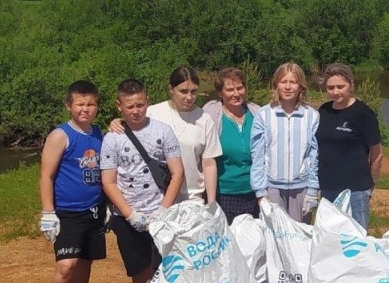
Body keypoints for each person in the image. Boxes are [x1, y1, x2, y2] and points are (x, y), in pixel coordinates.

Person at [100, 79, 184, 283]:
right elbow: (108, 181)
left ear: (147, 102)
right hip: (127, 215)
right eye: (130, 106)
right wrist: (130, 214)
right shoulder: (111, 139)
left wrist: (164, 209)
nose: (135, 111)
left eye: (140, 105)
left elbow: (177, 173)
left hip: (161, 211)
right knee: (139, 267)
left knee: (165, 265)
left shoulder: (163, 131)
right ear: (119, 106)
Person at [37, 80, 109, 283]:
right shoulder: (60, 135)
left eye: (90, 104)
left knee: (84, 263)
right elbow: (46, 176)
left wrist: (108, 205)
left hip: (94, 211)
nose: (85, 109)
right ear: (69, 105)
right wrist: (48, 213)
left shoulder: (99, 134)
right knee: (66, 265)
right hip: (67, 212)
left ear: (97, 106)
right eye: (80, 104)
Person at [110, 66, 222, 205]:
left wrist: (211, 202)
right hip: (156, 198)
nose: (189, 97)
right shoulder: (153, 112)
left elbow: (208, 163)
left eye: (193, 91)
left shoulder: (204, 119)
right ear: (171, 89)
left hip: (192, 198)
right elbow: (131, 124)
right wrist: (118, 122)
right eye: (183, 91)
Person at [251, 62, 320, 223]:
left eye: (293, 82)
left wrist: (313, 188)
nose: (288, 87)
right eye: (283, 82)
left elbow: (315, 155)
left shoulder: (311, 115)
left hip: (302, 188)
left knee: (300, 232)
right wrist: (260, 191)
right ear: (276, 84)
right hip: (272, 188)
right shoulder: (264, 114)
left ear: (301, 86)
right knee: (275, 232)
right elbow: (257, 155)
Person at [316, 63, 382, 228]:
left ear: (351, 86)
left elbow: (377, 153)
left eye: (340, 87)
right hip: (328, 188)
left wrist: (370, 185)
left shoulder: (363, 113)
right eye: (331, 87)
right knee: (330, 235)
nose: (335, 92)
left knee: (355, 235)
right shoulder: (323, 111)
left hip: (356, 189)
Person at [203, 67, 261, 223]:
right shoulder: (212, 118)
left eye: (240, 88)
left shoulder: (257, 114)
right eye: (229, 90)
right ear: (220, 93)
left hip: (255, 192)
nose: (236, 94)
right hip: (225, 193)